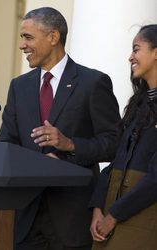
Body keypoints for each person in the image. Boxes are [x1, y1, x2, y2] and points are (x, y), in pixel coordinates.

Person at [0, 7, 121, 250]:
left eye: (28, 37)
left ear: (53, 37)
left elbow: (115, 144)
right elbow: (7, 145)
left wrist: (71, 145)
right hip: (26, 216)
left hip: (71, 218)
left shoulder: (93, 83)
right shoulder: (19, 86)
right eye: (22, 37)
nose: (22, 45)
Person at [89, 24, 157, 250]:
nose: (130, 57)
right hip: (111, 218)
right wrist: (98, 208)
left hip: (143, 221)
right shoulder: (138, 105)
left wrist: (113, 215)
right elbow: (115, 163)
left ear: (156, 52)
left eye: (136, 49)